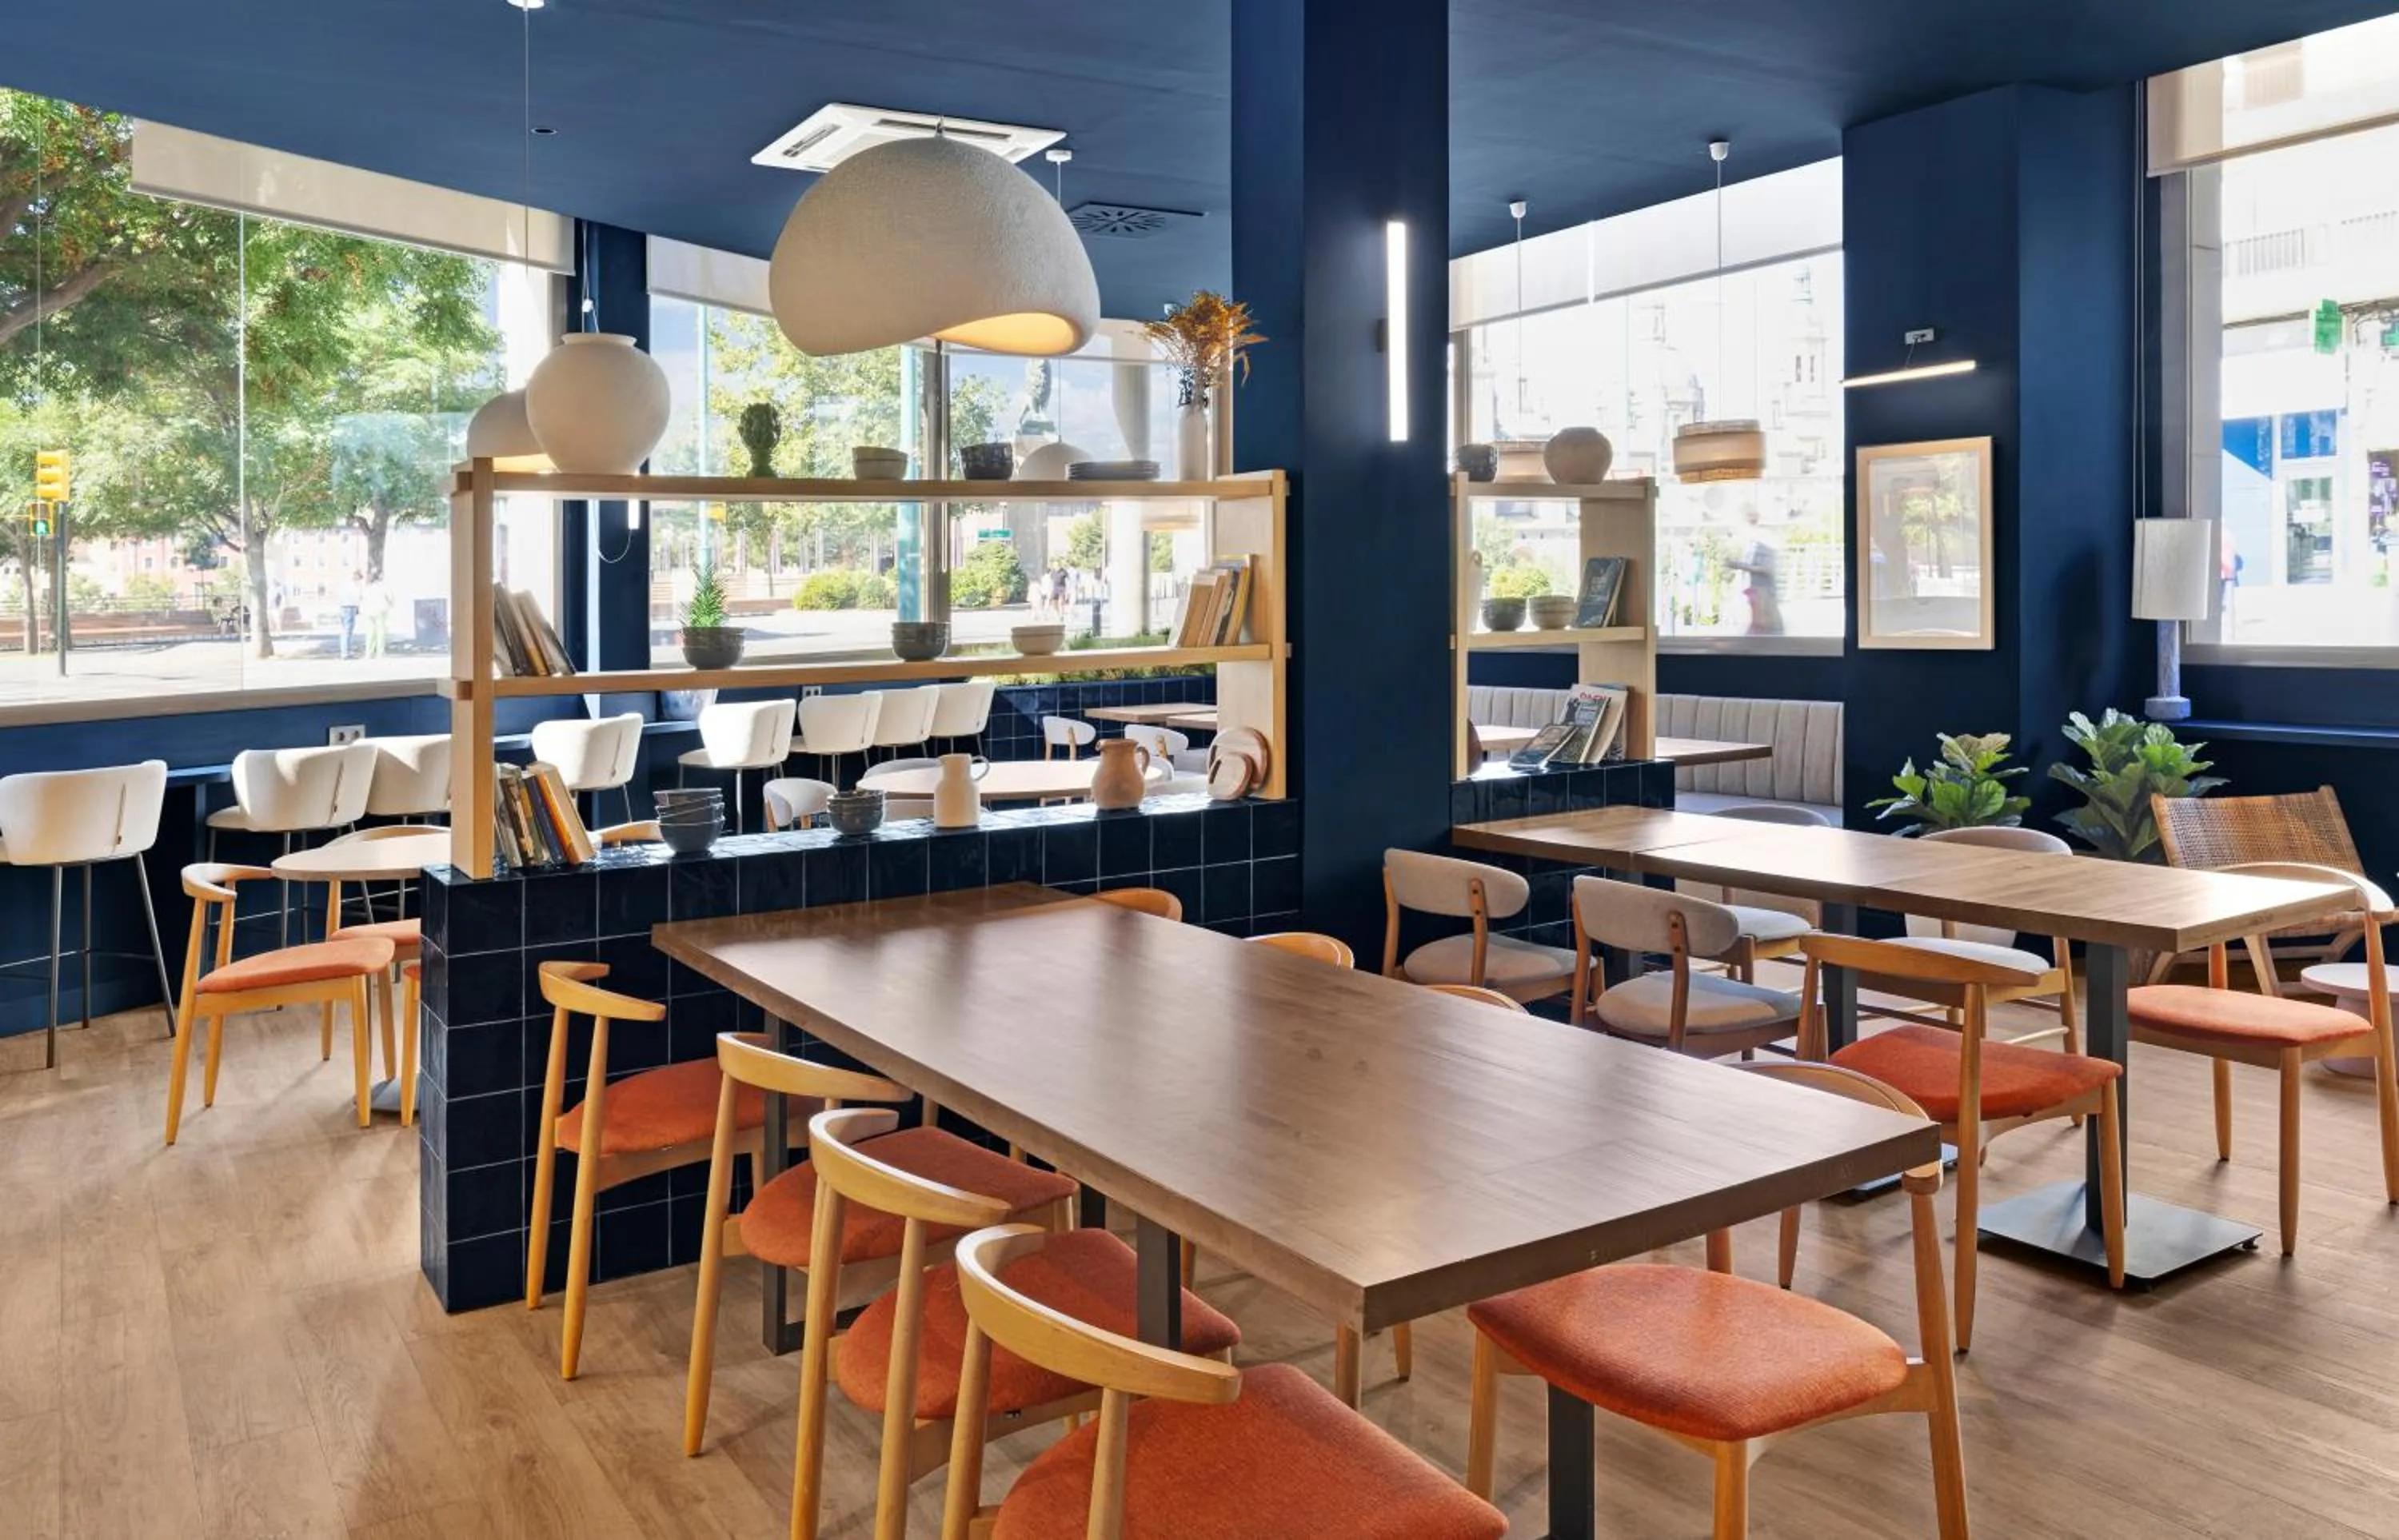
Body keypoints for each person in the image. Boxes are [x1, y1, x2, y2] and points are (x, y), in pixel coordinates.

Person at [1726, 507, 1784, 635]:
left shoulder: (1763, 540)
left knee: (1766, 635)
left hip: (1764, 598)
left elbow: (1767, 569)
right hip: (1757, 598)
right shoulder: (1752, 544)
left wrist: (1740, 566)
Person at [361, 572, 393, 660]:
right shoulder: (383, 586)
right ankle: (380, 653)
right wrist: (391, 606)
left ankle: (369, 653)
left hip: (369, 612)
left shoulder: (367, 588)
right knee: (381, 632)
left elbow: (362, 598)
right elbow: (390, 598)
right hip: (381, 610)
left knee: (370, 633)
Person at [336, 570, 362, 659]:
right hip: (350, 607)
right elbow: (357, 597)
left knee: (345, 630)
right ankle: (346, 652)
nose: (359, 580)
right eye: (359, 578)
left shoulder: (344, 584)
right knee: (348, 630)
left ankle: (346, 651)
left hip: (343, 607)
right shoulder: (354, 586)